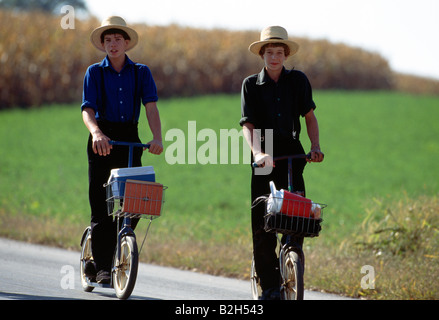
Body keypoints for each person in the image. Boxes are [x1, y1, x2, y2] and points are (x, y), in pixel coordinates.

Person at [240, 26, 324, 300]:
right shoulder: (251, 84)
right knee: (264, 218)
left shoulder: (298, 80)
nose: (274, 57)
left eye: (279, 52)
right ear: (262, 54)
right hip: (263, 152)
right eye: (269, 52)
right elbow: (248, 126)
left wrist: (314, 147)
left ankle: (292, 256)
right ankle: (270, 287)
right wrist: (257, 154)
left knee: (297, 213)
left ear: (286, 55)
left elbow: (309, 117)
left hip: (292, 151)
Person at [81, 16, 163, 284]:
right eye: (108, 40)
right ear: (103, 44)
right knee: (102, 204)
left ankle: (116, 245)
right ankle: (104, 266)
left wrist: (156, 137)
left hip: (130, 136)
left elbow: (151, 107)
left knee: (138, 200)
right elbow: (88, 110)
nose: (113, 44)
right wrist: (96, 133)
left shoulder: (141, 72)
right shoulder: (94, 72)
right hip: (102, 139)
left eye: (117, 39)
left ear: (127, 43)